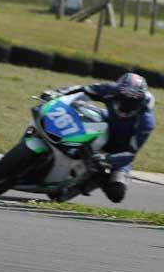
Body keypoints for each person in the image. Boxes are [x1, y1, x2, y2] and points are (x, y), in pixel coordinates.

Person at [45, 73, 155, 203]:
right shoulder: (110, 89)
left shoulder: (146, 122)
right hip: (105, 125)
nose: (126, 103)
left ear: (140, 101)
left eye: (132, 101)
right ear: (117, 92)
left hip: (120, 150)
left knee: (117, 194)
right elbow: (82, 89)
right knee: (78, 107)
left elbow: (131, 154)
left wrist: (107, 159)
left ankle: (96, 179)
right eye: (123, 97)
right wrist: (56, 94)